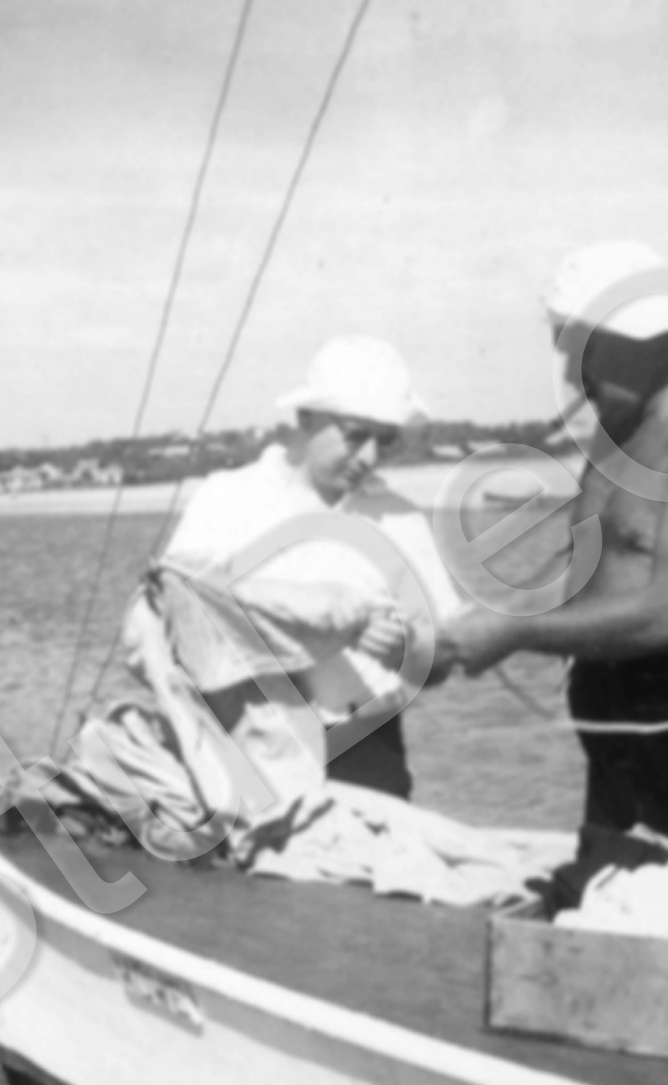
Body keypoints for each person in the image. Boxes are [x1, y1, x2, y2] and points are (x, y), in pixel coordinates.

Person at [432, 242, 668, 884]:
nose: (569, 377)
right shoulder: (618, 431)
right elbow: (584, 563)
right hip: (617, 711)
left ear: (638, 337)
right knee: (613, 899)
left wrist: (512, 632)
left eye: (580, 353)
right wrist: (470, 623)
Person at [161, 335, 461, 804]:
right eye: (355, 434)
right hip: (239, 741)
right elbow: (173, 620)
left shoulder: (402, 520)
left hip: (364, 748)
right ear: (305, 417)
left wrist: (409, 651)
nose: (369, 457)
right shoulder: (226, 497)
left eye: (386, 440)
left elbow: (443, 664)